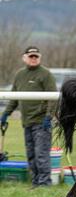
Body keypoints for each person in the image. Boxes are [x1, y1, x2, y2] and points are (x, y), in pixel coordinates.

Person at [0, 46, 57, 189]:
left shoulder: (46, 74)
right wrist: (5, 114)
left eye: (36, 56)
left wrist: (48, 117)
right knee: (30, 154)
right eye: (31, 56)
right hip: (26, 122)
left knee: (41, 154)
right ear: (24, 58)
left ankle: (44, 183)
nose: (33, 59)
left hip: (41, 122)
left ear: (39, 58)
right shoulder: (19, 75)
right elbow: (14, 98)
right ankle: (35, 182)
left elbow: (53, 98)